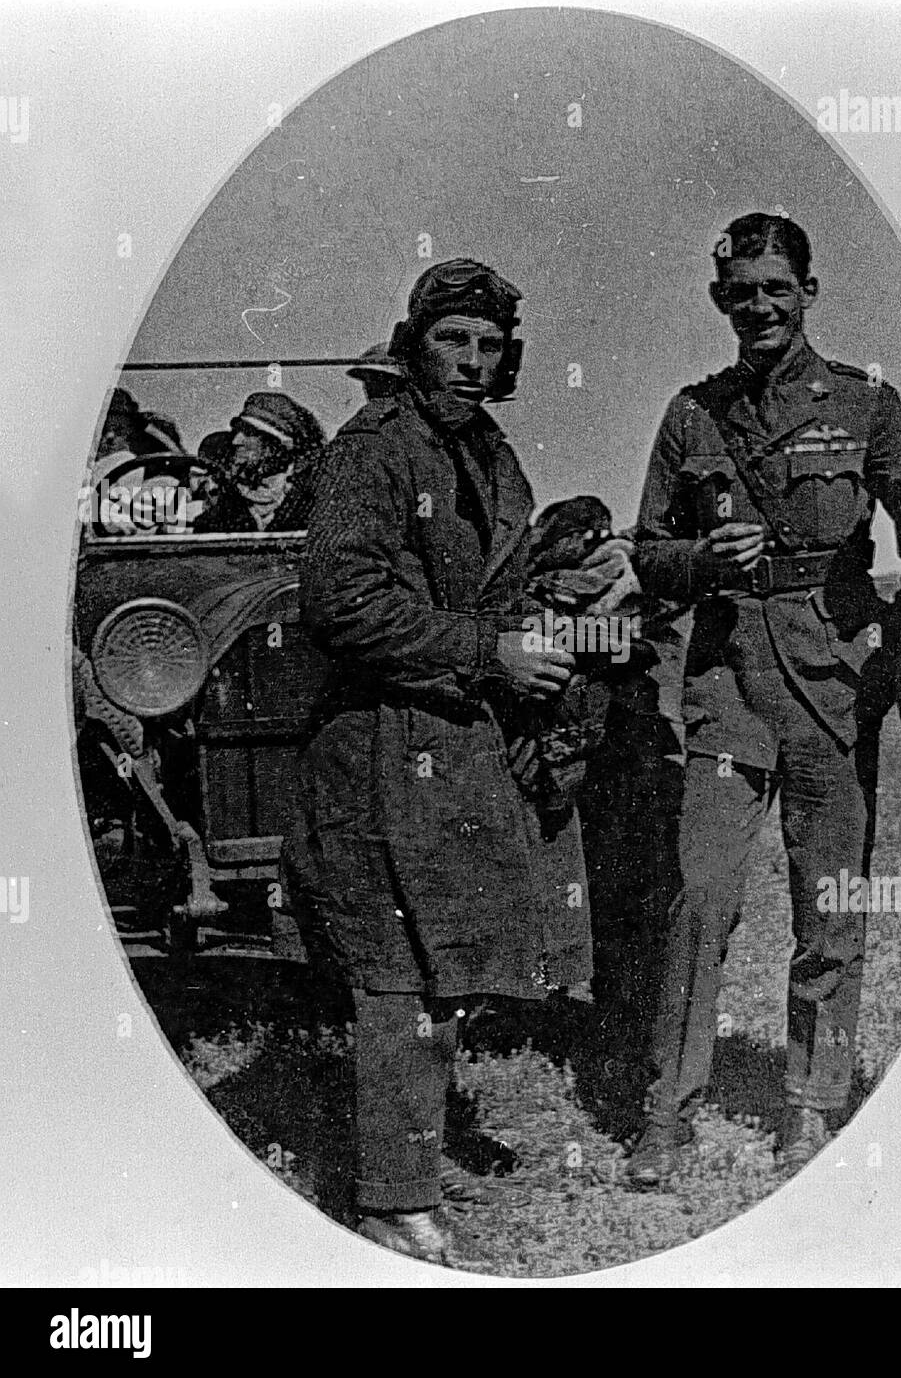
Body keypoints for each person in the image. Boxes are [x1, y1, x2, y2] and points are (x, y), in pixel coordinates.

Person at [284, 259, 593, 1265]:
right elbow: (343, 601)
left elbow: (494, 582)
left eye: (488, 346)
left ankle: (414, 1153)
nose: (469, 361)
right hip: (378, 745)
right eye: (451, 341)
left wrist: (553, 611)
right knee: (394, 971)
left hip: (455, 741)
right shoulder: (369, 454)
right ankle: (387, 1203)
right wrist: (487, 652)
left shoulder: (488, 454)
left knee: (445, 964)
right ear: (415, 345)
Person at [626, 212, 901, 1186]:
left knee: (826, 900)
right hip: (727, 682)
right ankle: (666, 1111)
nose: (757, 305)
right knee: (701, 894)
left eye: (775, 287)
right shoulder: (691, 415)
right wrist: (695, 556)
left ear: (806, 291)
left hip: (829, 683)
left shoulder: (864, 404)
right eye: (740, 291)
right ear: (719, 300)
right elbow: (644, 555)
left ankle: (809, 1101)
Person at [193, 391, 325, 532]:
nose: (236, 441)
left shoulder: (313, 502)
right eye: (237, 432)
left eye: (249, 433)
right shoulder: (221, 511)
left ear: (275, 444)